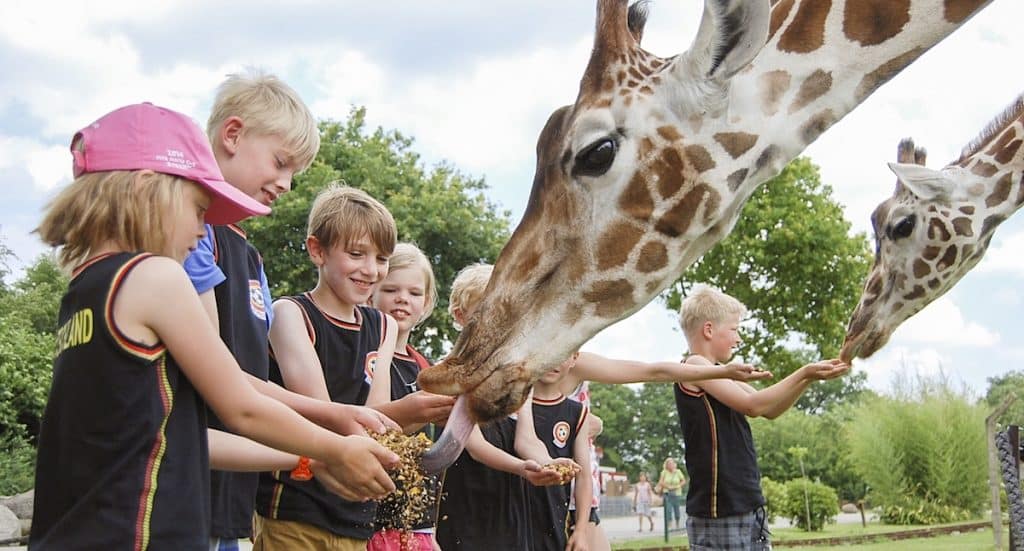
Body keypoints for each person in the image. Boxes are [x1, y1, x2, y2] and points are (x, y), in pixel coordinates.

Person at [29, 103, 400, 549]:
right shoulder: (154, 277)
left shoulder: (85, 291)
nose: (203, 230)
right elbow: (240, 405)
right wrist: (336, 448)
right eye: (200, 208)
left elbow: (186, 441)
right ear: (151, 190)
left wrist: (308, 457)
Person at [253, 185, 452, 550]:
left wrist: (420, 411)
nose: (371, 270)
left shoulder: (382, 326)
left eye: (381, 258)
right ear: (317, 250)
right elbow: (323, 414)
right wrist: (409, 410)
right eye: (357, 254)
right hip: (297, 509)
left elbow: (373, 420)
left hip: (358, 517)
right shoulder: (291, 314)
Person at [184, 68, 328, 551]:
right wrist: (318, 448)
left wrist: (340, 420)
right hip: (176, 497)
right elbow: (224, 383)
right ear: (233, 134)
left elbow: (251, 379)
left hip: (230, 503)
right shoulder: (187, 236)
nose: (286, 185)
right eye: (281, 162)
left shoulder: (251, 257)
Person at [675, 285, 848, 550]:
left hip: (747, 502)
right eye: (734, 329)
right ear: (709, 330)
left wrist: (809, 379)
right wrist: (802, 372)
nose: (739, 338)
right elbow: (752, 405)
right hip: (720, 507)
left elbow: (770, 409)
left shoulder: (721, 372)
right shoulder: (694, 366)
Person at [435, 263, 578, 550]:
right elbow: (474, 447)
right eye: (484, 310)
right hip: (468, 507)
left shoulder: (516, 376)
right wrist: (522, 469)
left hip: (509, 506)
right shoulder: (452, 375)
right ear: (461, 316)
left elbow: (526, 438)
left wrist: (546, 463)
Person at [561, 353, 768, 550]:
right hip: (553, 498)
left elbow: (654, 371)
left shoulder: (576, 361)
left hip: (583, 503)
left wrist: (722, 372)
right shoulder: (538, 373)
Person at [367, 242, 447, 551]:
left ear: (426, 303)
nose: (402, 299)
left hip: (418, 524)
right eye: (391, 290)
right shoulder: (365, 352)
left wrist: (432, 529)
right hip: (370, 522)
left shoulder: (426, 369)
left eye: (414, 293)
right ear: (371, 290)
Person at [528, 351, 593, 551]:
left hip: (552, 524)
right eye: (550, 348)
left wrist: (581, 529)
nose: (554, 358)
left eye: (564, 352)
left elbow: (583, 476)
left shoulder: (577, 413)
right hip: (509, 520)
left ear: (574, 358)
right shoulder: (511, 405)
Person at [656, 457, 686, 529]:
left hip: (677, 493)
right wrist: (668, 487)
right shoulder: (664, 472)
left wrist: (677, 486)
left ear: (674, 464)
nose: (670, 465)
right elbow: (661, 482)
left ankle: (677, 524)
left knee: (677, 509)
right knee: (668, 510)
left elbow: (683, 481)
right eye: (668, 464)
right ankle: (669, 525)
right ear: (666, 465)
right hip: (667, 493)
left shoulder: (678, 472)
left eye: (671, 463)